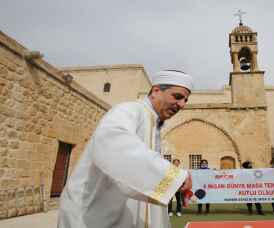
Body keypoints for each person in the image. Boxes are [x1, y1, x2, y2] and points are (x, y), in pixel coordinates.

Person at [58, 70, 193, 228]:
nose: (182, 105)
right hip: (92, 218)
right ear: (156, 91)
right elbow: (114, 144)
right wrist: (172, 175)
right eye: (177, 96)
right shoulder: (128, 110)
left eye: (185, 100)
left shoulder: (153, 124)